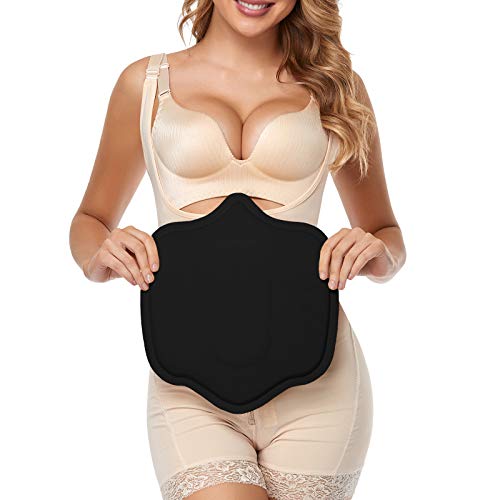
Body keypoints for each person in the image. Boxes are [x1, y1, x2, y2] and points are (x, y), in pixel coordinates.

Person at [69, 1, 406, 498]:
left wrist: (377, 252)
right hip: (187, 383)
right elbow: (90, 220)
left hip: (319, 381)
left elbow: (385, 231)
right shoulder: (146, 84)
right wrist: (98, 256)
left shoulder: (336, 88)